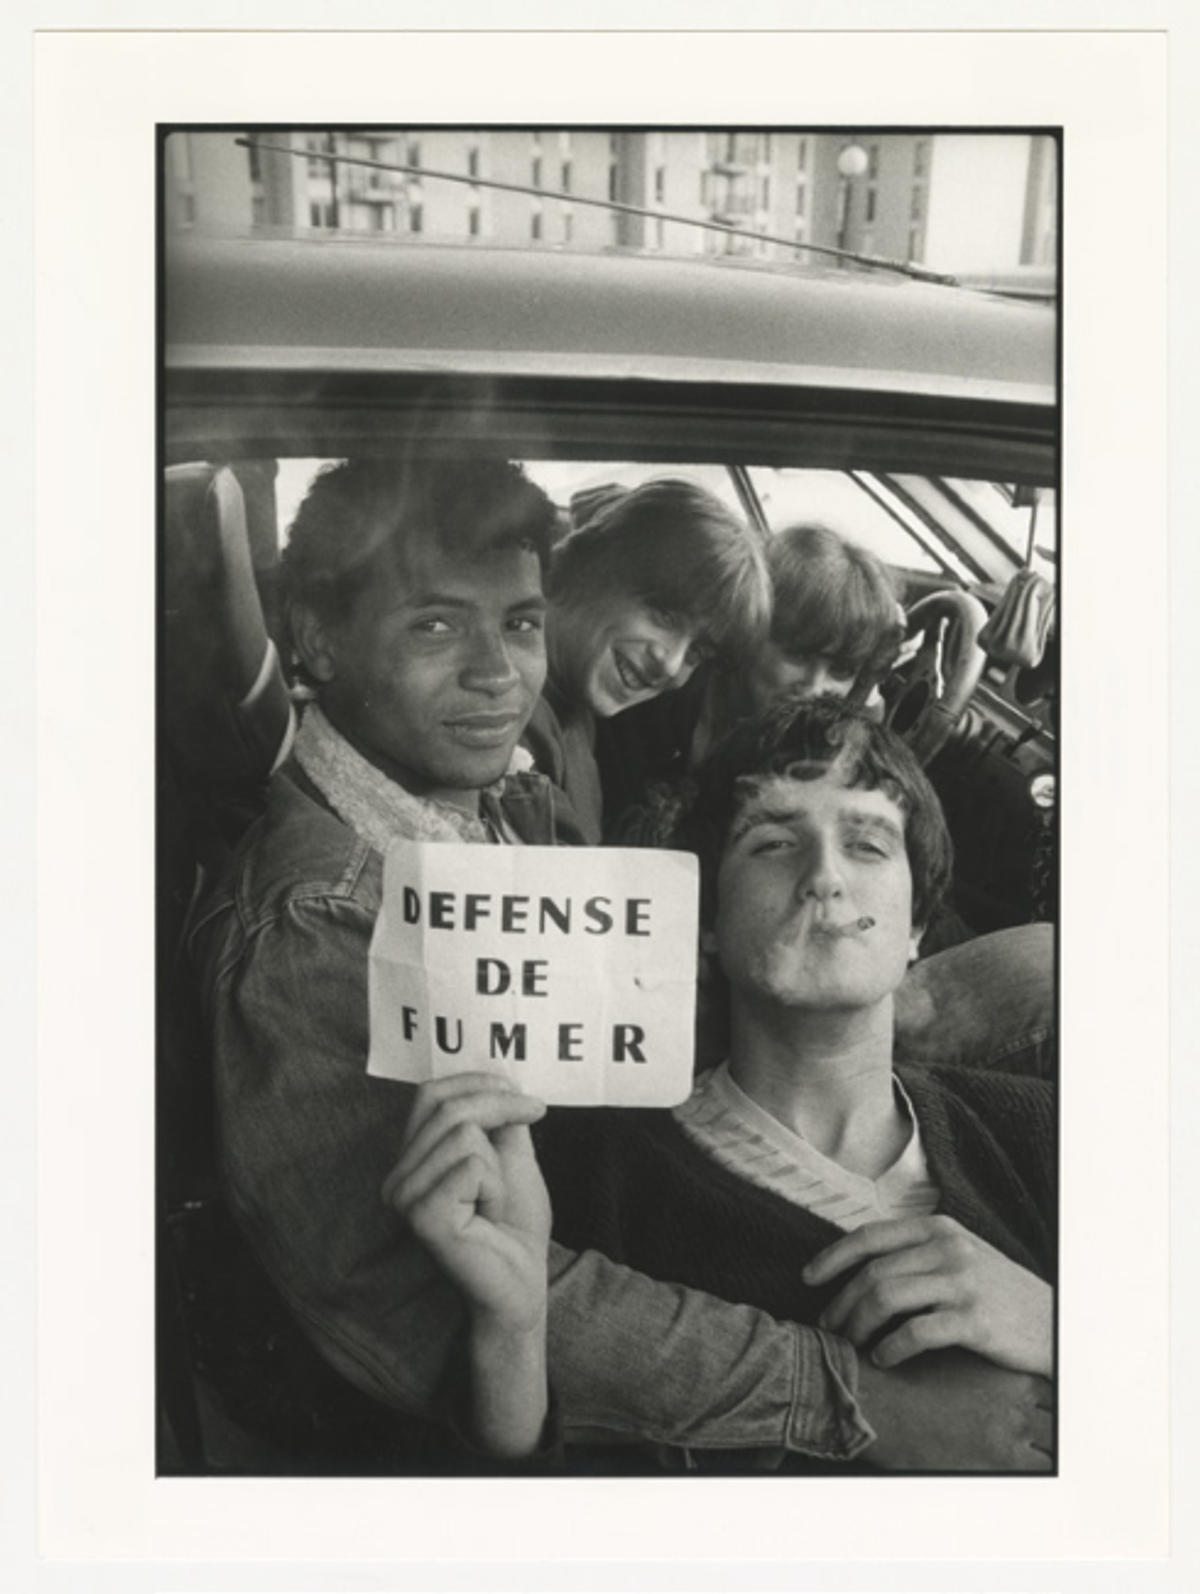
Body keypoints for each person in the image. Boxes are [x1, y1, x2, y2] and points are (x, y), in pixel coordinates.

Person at [190, 456, 1038, 1471]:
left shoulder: (484, 799)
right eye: (435, 624)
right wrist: (863, 1402)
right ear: (318, 639)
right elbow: (447, 1318)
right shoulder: (314, 924)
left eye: (519, 622)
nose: (498, 673)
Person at [390, 697, 1055, 1469]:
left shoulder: (1042, 1132)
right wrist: (511, 1334)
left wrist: (1063, 1326)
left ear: (916, 925)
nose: (825, 877)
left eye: (869, 846)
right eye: (774, 844)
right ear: (701, 921)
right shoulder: (578, 1175)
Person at [522, 477, 771, 843]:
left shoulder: (576, 716)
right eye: (665, 616)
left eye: (697, 653)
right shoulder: (507, 712)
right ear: (591, 564)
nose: (670, 666)